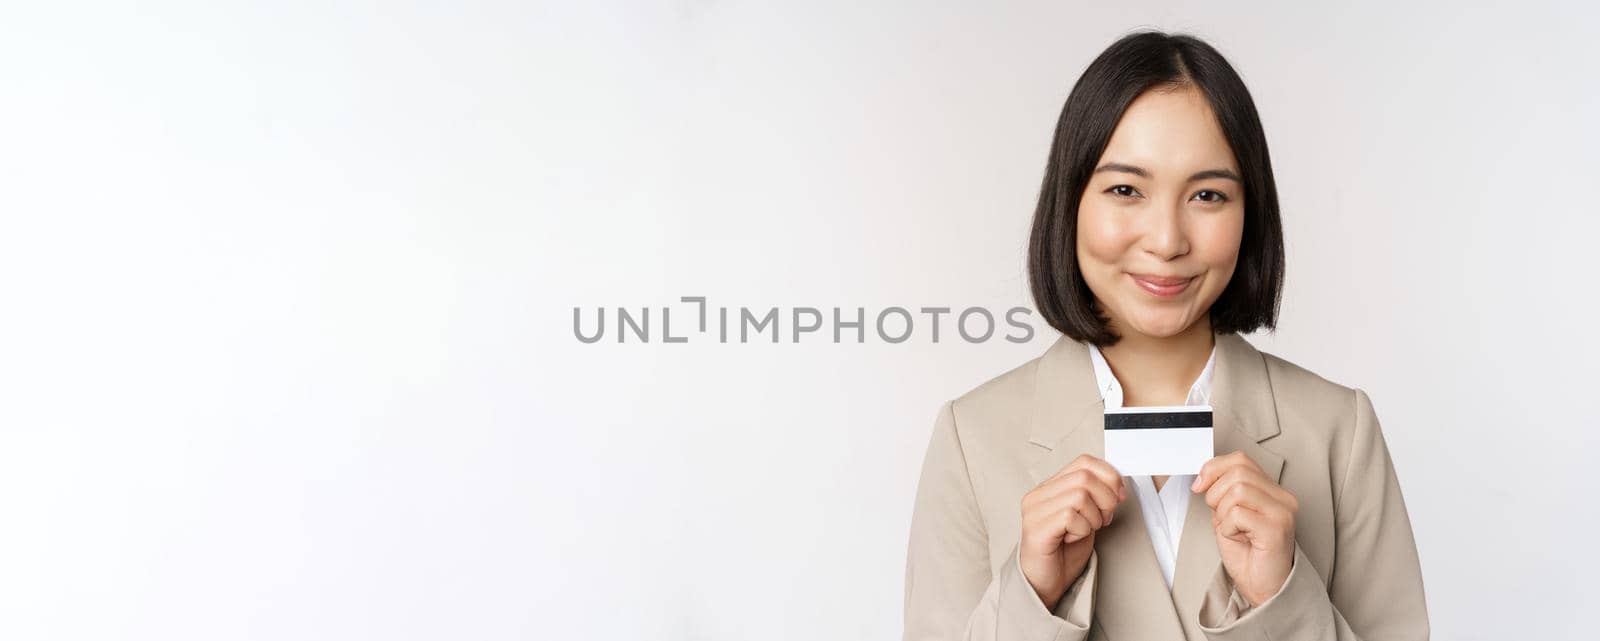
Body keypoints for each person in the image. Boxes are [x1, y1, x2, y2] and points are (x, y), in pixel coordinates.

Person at [902, 30, 1428, 640]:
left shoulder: (1341, 432)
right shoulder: (972, 438)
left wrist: (1279, 598)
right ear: (1070, 200)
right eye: (1126, 190)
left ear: (1249, 213)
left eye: (1207, 195)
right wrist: (1032, 599)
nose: (1167, 240)